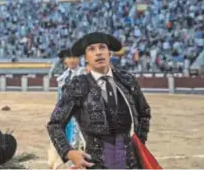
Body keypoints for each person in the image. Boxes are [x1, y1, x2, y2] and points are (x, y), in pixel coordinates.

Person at [47, 32, 152, 169]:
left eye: (102, 48)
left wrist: (139, 142)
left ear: (109, 54)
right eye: (92, 49)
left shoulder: (127, 80)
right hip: (96, 163)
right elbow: (54, 124)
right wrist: (68, 152)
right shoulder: (77, 85)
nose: (98, 53)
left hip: (130, 162)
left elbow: (144, 112)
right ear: (86, 58)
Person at [47, 49, 85, 169]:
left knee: (79, 144)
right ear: (65, 61)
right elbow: (59, 100)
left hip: (79, 117)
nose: (72, 60)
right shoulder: (63, 78)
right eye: (69, 58)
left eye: (75, 57)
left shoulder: (84, 75)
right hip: (63, 117)